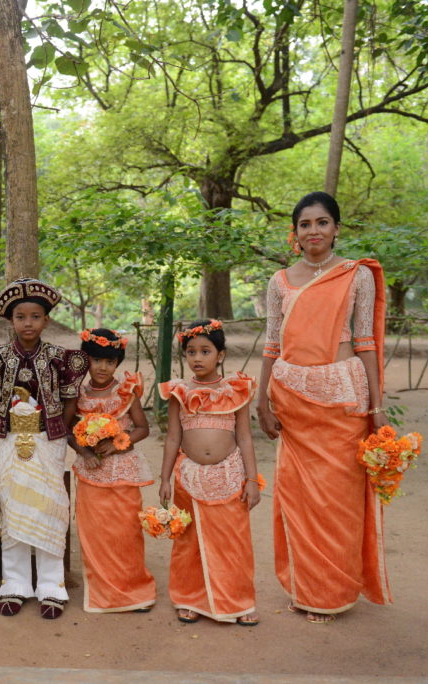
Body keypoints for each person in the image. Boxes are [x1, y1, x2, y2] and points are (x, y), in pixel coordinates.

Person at [256, 191, 391, 624]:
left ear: (336, 228)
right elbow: (273, 343)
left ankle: (334, 591)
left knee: (338, 502)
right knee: (298, 500)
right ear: (294, 233)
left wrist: (378, 404)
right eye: (304, 224)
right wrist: (262, 399)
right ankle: (308, 589)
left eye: (322, 222)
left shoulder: (356, 276)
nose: (313, 231)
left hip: (342, 399)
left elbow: (366, 341)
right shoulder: (279, 281)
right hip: (292, 399)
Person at [0, 278, 89, 619]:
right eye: (21, 317)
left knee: (51, 504)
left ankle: (52, 585)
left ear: (46, 320)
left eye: (35, 316)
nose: (28, 323)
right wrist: (5, 431)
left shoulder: (61, 359)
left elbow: (68, 403)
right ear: (11, 321)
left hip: (49, 441)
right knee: (15, 503)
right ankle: (15, 583)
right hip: (9, 441)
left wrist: (57, 432)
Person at [158, 320, 261, 626]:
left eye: (205, 351)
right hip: (189, 477)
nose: (197, 358)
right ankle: (190, 599)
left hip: (229, 476)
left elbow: (244, 438)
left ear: (221, 355)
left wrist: (252, 479)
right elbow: (173, 438)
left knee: (234, 541)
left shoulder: (237, 391)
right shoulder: (179, 392)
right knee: (189, 542)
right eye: (191, 352)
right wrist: (165, 478)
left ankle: (240, 601)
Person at [68, 328, 155, 613]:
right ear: (86, 361)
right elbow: (67, 430)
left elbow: (143, 428)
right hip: (91, 471)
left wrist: (119, 444)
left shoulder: (126, 391)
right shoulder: (78, 393)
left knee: (126, 531)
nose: (103, 367)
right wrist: (84, 451)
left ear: (117, 363)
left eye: (109, 361)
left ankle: (134, 592)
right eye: (96, 361)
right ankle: (104, 592)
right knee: (95, 533)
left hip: (124, 470)